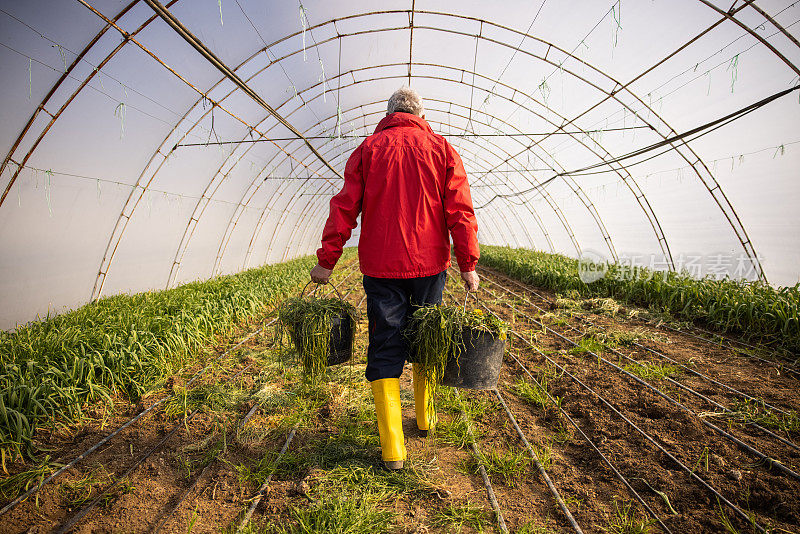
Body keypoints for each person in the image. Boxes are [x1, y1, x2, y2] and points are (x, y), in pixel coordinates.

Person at [310, 87, 479, 470]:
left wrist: (327, 260)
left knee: (386, 346)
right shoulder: (442, 149)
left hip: (381, 267)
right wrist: (468, 263)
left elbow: (344, 207)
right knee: (426, 337)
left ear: (389, 114)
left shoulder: (369, 149)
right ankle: (425, 419)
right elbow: (460, 210)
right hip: (429, 265)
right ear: (420, 114)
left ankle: (393, 452)